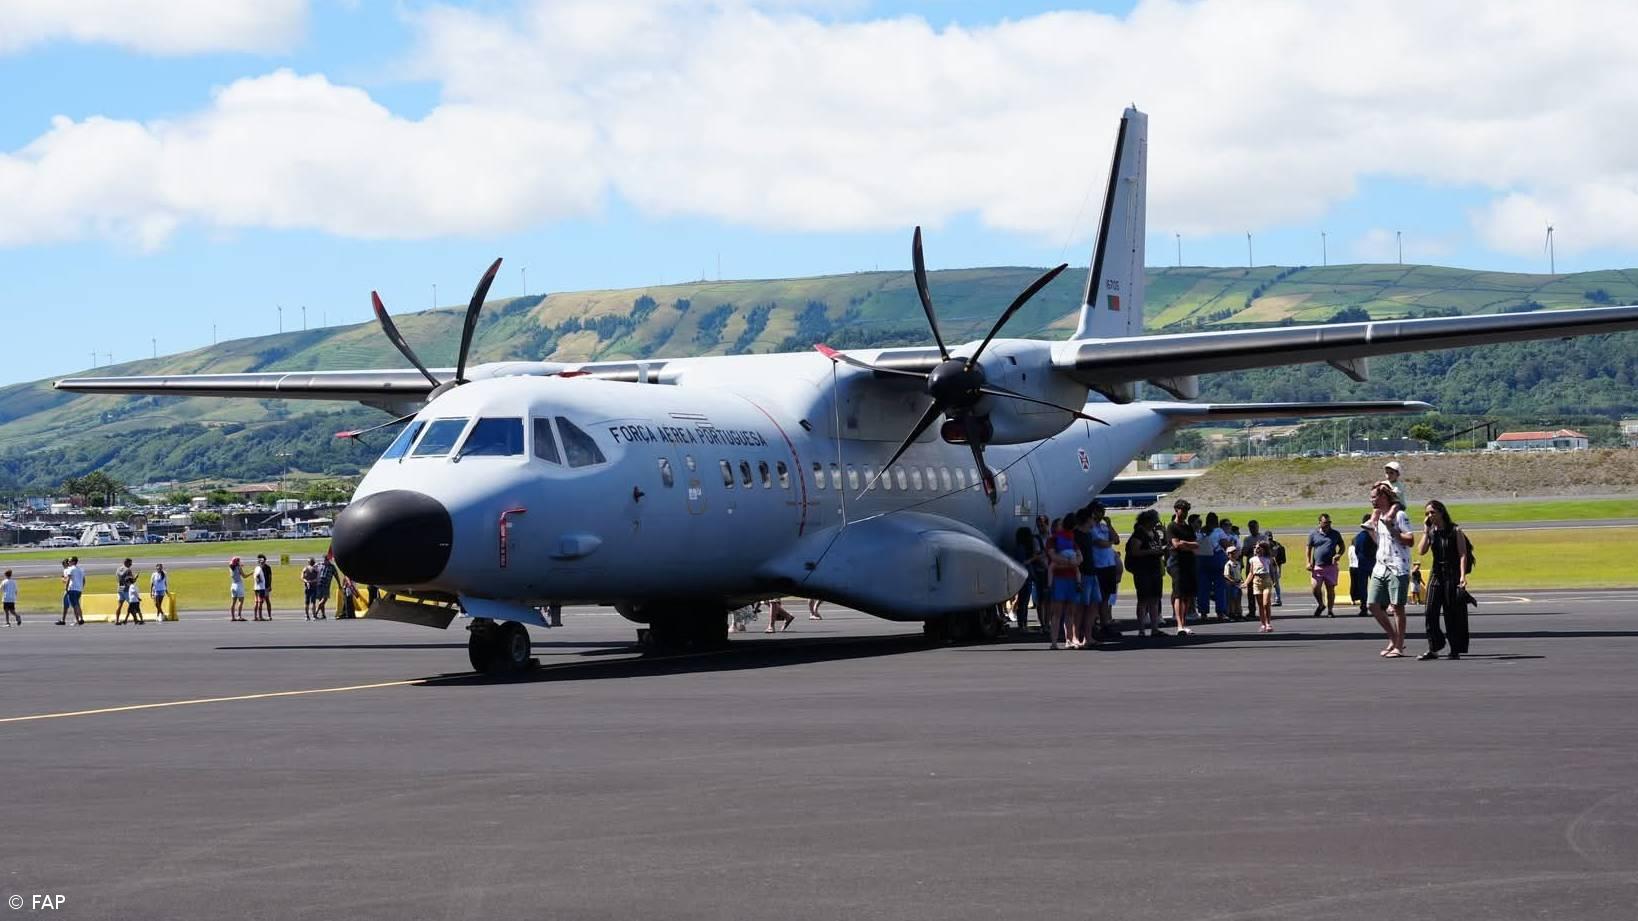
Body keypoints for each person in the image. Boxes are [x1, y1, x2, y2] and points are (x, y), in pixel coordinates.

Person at [1417, 500, 1473, 660]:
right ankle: (1434, 646)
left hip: (1452, 574)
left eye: (1432, 512)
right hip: (1436, 573)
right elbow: (1421, 551)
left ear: (1441, 512)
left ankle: (1455, 648)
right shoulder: (1431, 531)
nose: (1429, 516)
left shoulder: (1455, 530)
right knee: (1429, 611)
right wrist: (1425, 530)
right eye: (1427, 513)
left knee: (1452, 613)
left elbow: (1463, 554)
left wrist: (1462, 576)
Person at [1367, 481, 1414, 658]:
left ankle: (1399, 646)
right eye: (1371, 498)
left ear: (1384, 496)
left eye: (1374, 497)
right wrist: (1372, 530)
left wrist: (1392, 528)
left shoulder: (1399, 515)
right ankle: (1393, 637)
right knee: (1372, 604)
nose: (1372, 501)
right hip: (1380, 565)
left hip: (1397, 566)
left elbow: (1410, 540)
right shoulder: (1378, 516)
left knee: (1397, 607)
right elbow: (1380, 541)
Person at [1125, 510, 1167, 639]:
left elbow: (1159, 546)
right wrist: (1151, 552)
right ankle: (1141, 629)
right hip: (1143, 571)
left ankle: (1154, 628)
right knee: (1143, 600)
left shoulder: (1154, 533)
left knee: (1155, 599)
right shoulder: (1138, 534)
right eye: (1154, 520)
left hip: (1154, 569)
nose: (1156, 523)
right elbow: (1135, 552)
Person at [1086, 502, 1121, 640]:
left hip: (1109, 565)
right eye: (1099, 512)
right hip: (1098, 565)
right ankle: (1094, 625)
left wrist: (1110, 525)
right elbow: (1100, 543)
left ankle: (1105, 624)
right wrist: (1110, 542)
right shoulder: (1091, 529)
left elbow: (1117, 539)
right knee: (1097, 598)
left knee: (1106, 597)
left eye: (1103, 511)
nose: (1101, 514)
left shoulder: (1104, 527)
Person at [1046, 515, 1082, 649]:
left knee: (1070, 612)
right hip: (1059, 579)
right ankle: (1054, 641)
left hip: (1071, 578)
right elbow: (1052, 555)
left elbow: (1080, 557)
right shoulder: (1052, 540)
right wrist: (1069, 563)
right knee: (1057, 612)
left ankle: (1069, 639)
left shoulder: (1071, 539)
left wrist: (1073, 563)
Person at [1167, 500, 1199, 636]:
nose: (1185, 513)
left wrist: (1185, 543)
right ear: (1176, 510)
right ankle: (1179, 625)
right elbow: (1176, 544)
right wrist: (1186, 545)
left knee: (1187, 594)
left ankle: (1184, 623)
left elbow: (1196, 545)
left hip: (1189, 562)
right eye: (1183, 510)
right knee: (1179, 593)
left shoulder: (1188, 527)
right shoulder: (1172, 526)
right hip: (1176, 562)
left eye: (1186, 511)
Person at [1306, 513, 1344, 617]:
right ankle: (1321, 604)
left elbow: (1342, 546)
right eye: (1325, 523)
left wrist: (1338, 554)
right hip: (1317, 566)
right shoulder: (1313, 534)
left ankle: (1330, 610)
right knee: (1315, 587)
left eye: (1329, 523)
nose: (1328, 525)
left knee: (1330, 589)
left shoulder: (1335, 534)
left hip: (1330, 566)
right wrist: (1308, 562)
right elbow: (1308, 548)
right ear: (1320, 523)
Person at [1009, 526, 1044, 633]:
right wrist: (1034, 558)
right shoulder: (1021, 548)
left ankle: (1023, 624)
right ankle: (1022, 624)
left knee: (1023, 601)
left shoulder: (1020, 547)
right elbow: (1023, 563)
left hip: (1023, 576)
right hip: (1024, 576)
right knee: (1023, 601)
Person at [1349, 513, 1376, 617]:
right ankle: (1378, 606)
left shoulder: (1358, 537)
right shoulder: (1374, 536)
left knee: (1362, 587)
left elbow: (1356, 551)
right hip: (1373, 563)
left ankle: (1363, 606)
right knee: (1376, 587)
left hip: (1362, 564)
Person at [1246, 540, 1276, 633]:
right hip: (1256, 581)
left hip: (1266, 581)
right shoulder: (1252, 560)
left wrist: (1274, 581)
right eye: (1255, 548)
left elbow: (1272, 571)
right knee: (1260, 605)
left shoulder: (1268, 559)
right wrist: (1246, 583)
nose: (1256, 549)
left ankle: (1268, 623)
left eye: (1258, 548)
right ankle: (1263, 624)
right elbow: (1251, 572)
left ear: (1263, 549)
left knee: (1266, 603)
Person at [59, 556, 85, 626]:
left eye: (70, 561)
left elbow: (68, 579)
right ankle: (81, 618)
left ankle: (78, 620)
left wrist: (66, 588)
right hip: (78, 589)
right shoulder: (81, 569)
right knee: (77, 604)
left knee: (74, 605)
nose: (68, 562)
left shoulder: (70, 569)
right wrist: (81, 587)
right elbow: (84, 580)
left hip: (72, 589)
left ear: (73, 562)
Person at [1222, 545, 1244, 621]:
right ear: (1228, 555)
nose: (1234, 555)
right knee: (1231, 600)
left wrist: (1241, 580)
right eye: (1231, 553)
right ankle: (1231, 614)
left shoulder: (1238, 563)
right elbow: (1226, 575)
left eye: (1235, 553)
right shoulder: (1228, 564)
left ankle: (1239, 613)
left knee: (1238, 599)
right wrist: (1233, 581)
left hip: (1238, 584)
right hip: (1231, 585)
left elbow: (1239, 573)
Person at [114, 558, 135, 625]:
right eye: (130, 563)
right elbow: (131, 581)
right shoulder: (128, 570)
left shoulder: (118, 569)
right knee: (132, 605)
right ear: (126, 563)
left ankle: (117, 620)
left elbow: (117, 578)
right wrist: (135, 578)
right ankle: (136, 619)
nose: (131, 564)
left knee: (119, 605)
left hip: (120, 588)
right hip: (126, 589)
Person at [1268, 532, 1285, 606]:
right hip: (1266, 567)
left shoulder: (1277, 546)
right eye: (1268, 538)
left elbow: (1280, 560)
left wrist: (1279, 570)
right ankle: (1267, 599)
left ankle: (1277, 599)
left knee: (1275, 583)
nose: (1269, 540)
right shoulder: (1263, 546)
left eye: (1270, 538)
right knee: (1267, 584)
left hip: (1274, 566)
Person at [228, 557, 247, 622]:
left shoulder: (230, 568)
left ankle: (233, 617)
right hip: (239, 585)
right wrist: (252, 573)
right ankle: (239, 616)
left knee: (233, 602)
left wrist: (239, 565)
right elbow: (244, 576)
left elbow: (232, 564)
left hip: (233, 585)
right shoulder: (238, 568)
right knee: (241, 601)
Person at [256, 554, 274, 620]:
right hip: (260, 587)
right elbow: (256, 577)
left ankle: (269, 615)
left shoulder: (267, 567)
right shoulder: (258, 567)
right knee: (260, 602)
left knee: (267, 600)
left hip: (265, 587)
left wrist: (269, 585)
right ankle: (260, 616)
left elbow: (270, 577)